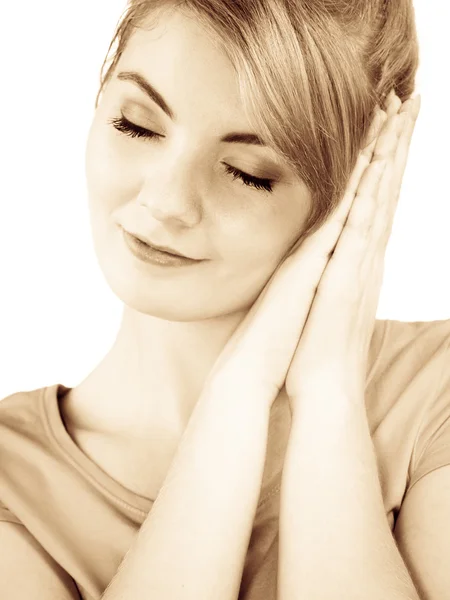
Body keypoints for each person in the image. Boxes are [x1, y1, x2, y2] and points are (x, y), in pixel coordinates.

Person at [0, 1, 448, 599]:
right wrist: (239, 390)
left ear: (354, 186)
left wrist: (328, 394)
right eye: (136, 124)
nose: (168, 200)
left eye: (246, 172)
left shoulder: (434, 388)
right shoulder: (14, 480)